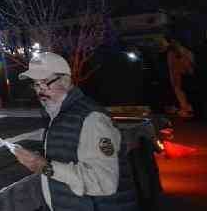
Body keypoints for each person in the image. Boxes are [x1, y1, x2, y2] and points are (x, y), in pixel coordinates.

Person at [9, 52, 138, 211]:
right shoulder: (58, 114)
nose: (40, 90)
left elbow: (104, 182)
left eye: (45, 82)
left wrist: (45, 166)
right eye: (36, 84)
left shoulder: (92, 119)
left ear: (66, 80)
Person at [166, 37, 195, 118]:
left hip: (179, 76)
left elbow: (171, 67)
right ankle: (188, 110)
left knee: (181, 94)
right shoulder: (186, 51)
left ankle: (186, 110)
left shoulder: (173, 53)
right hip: (185, 75)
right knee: (185, 94)